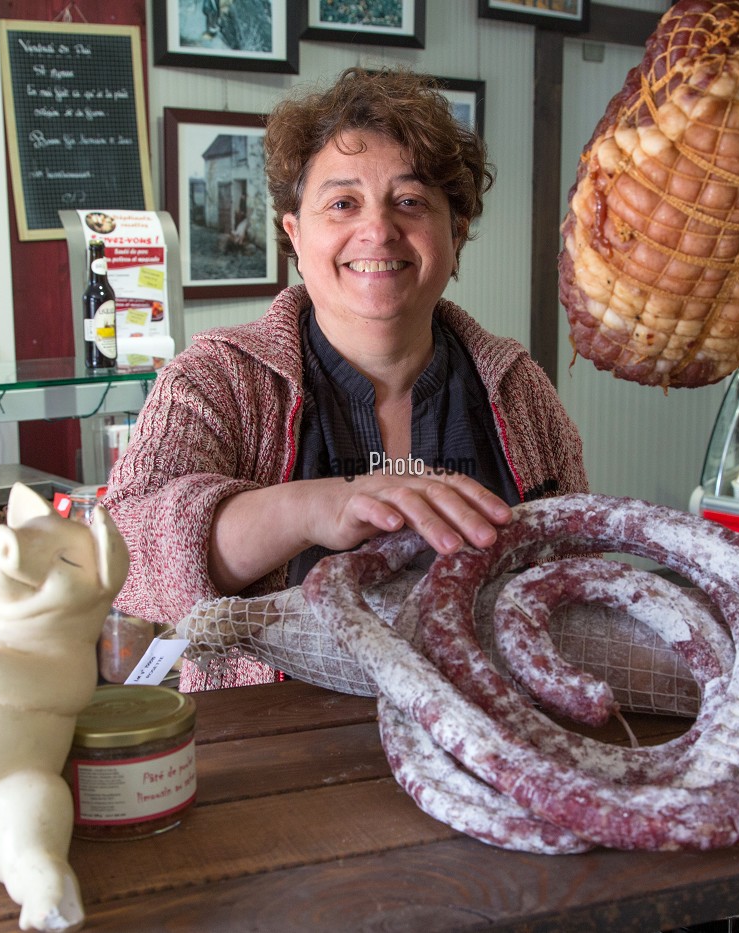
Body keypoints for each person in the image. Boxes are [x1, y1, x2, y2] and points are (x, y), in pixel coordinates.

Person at [102, 67, 588, 689]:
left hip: (488, 739)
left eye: (410, 202)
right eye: (342, 203)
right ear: (294, 233)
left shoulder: (517, 387)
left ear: (456, 232)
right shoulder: (216, 379)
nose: (378, 230)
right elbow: (125, 561)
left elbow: (576, 582)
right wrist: (316, 506)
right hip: (281, 755)